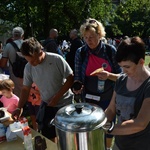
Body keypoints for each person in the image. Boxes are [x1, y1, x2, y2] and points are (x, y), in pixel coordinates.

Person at [11, 37, 74, 142]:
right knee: (48, 135)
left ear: (40, 52)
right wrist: (19, 107)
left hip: (64, 104)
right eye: (28, 60)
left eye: (34, 60)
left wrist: (56, 98)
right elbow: (25, 89)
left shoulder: (56, 59)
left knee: (67, 137)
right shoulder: (28, 67)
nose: (31, 63)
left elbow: (70, 78)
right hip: (47, 104)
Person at [73, 18, 122, 150]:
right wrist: (77, 86)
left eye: (92, 37)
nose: (89, 40)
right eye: (86, 37)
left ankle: (107, 148)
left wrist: (108, 76)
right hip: (88, 97)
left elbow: (122, 77)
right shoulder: (81, 52)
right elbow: (78, 77)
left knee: (107, 124)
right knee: (90, 125)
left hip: (108, 97)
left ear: (100, 35)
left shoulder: (110, 50)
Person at [104, 36, 150, 150]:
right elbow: (111, 109)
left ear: (141, 62)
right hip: (119, 145)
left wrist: (110, 128)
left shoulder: (148, 85)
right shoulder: (121, 80)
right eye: (121, 67)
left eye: (127, 67)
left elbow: (140, 123)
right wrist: (97, 122)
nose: (123, 71)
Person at [0, 27, 24, 97]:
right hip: (29, 74)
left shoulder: (8, 46)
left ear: (13, 35)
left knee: (17, 96)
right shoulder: (28, 44)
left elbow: (3, 64)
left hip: (15, 75)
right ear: (22, 35)